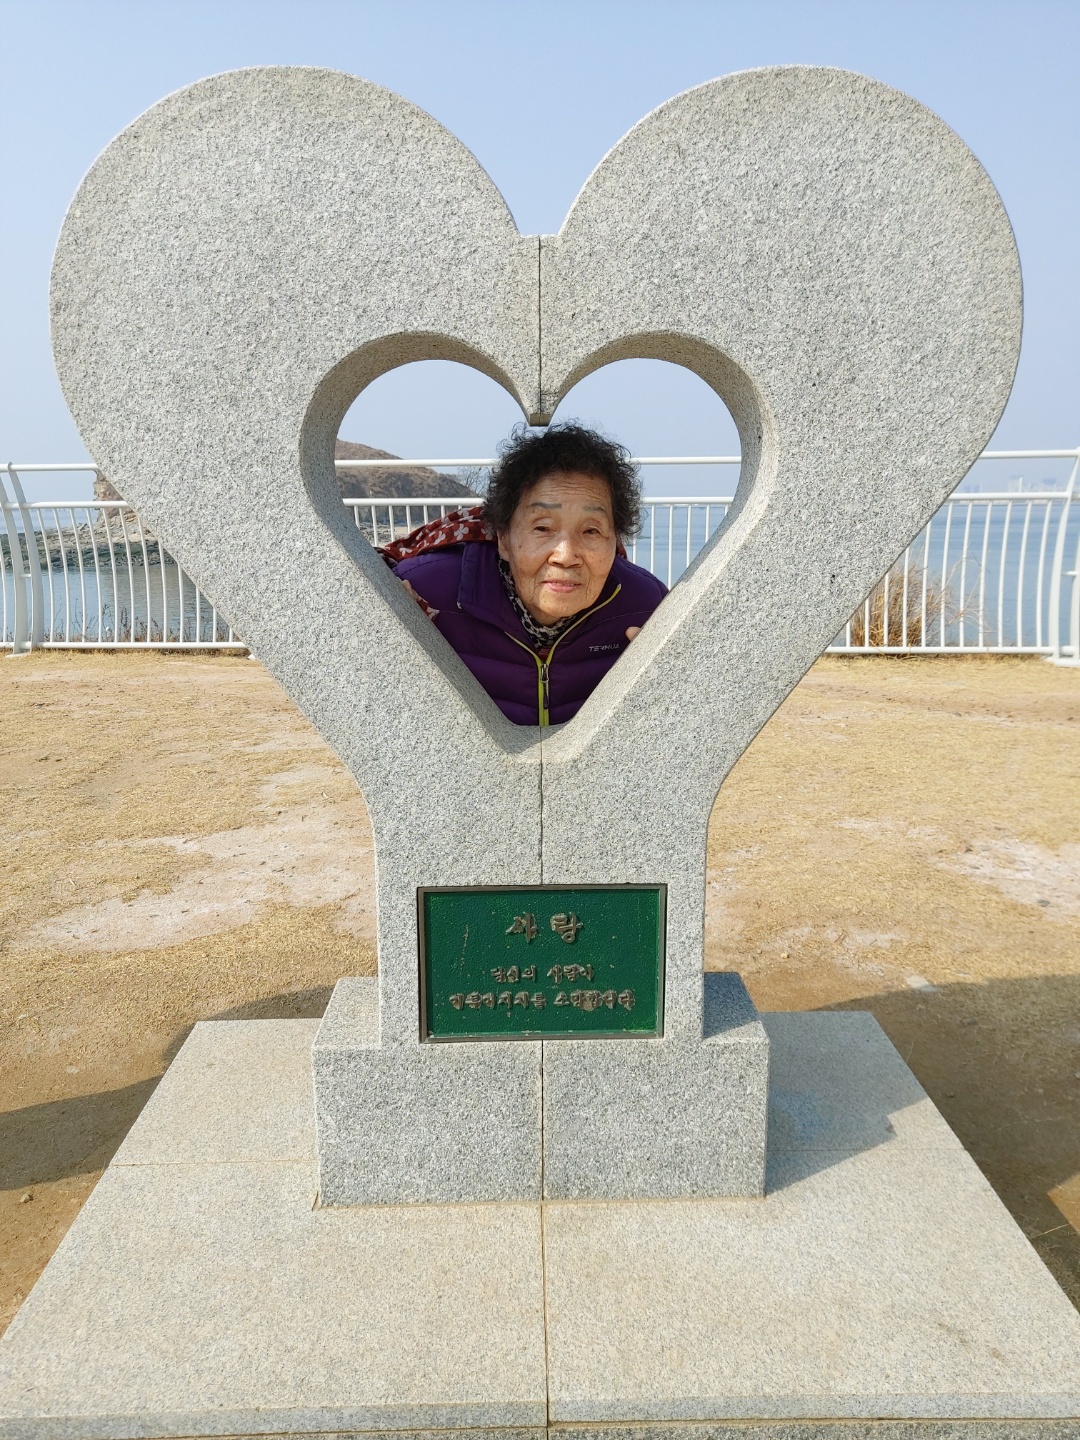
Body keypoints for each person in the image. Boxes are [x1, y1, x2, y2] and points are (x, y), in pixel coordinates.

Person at [384, 424, 667, 726]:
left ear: (615, 541)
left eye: (591, 531)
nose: (565, 555)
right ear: (504, 539)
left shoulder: (647, 607)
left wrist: (665, 686)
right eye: (542, 527)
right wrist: (389, 637)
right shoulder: (424, 591)